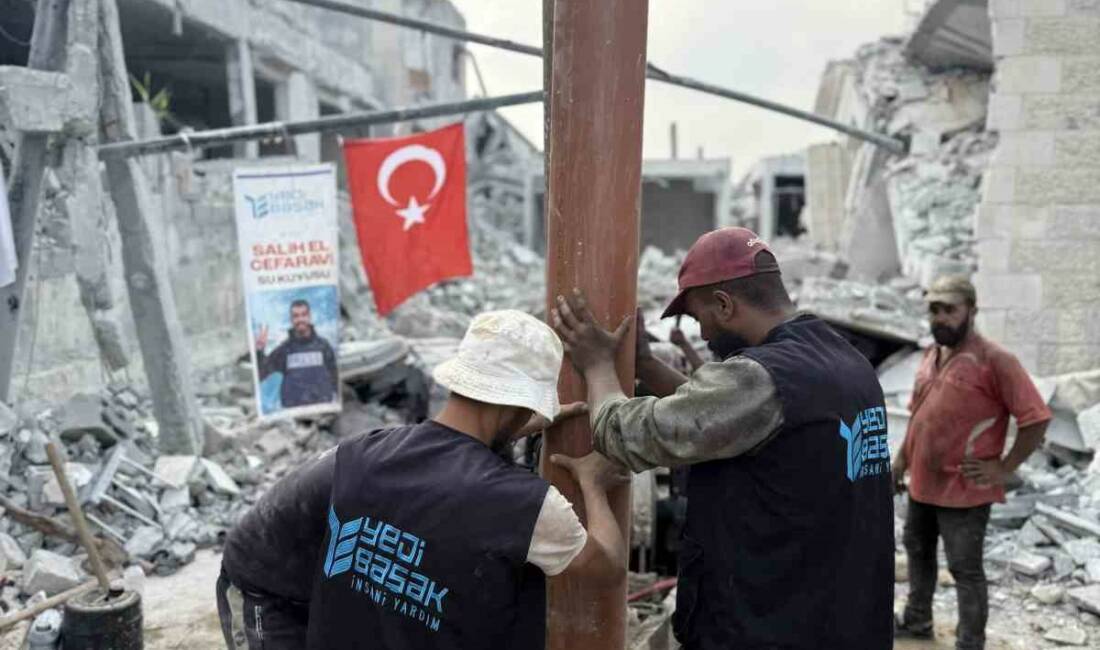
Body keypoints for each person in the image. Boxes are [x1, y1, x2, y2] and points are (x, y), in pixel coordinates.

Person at [552, 226, 894, 649]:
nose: (705, 335)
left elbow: (624, 434)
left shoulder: (761, 376)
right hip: (839, 619)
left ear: (724, 304)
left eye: (700, 319)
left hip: (771, 626)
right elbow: (729, 416)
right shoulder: (843, 361)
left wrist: (599, 365)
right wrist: (644, 364)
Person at [216, 310, 625, 649]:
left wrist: (509, 427)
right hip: (265, 588)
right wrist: (592, 485)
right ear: (520, 408)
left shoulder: (364, 454)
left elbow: (452, 456)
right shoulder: (527, 506)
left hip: (326, 603)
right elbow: (606, 568)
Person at [893, 276, 1051, 650]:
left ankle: (970, 642)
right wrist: (900, 462)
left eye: (950, 309)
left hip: (965, 489)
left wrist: (1004, 466)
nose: (941, 318)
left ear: (972, 311)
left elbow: (1036, 418)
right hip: (923, 483)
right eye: (934, 309)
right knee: (918, 552)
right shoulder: (932, 355)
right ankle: (917, 622)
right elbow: (919, 416)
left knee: (965, 570)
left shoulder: (996, 361)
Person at [255, 299, 339, 409]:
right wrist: (259, 351)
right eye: (296, 316)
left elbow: (335, 378)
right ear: (291, 319)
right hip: (295, 414)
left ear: (309, 317)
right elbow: (261, 373)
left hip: (323, 410)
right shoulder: (284, 350)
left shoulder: (323, 346)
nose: (300, 319)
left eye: (303, 315)